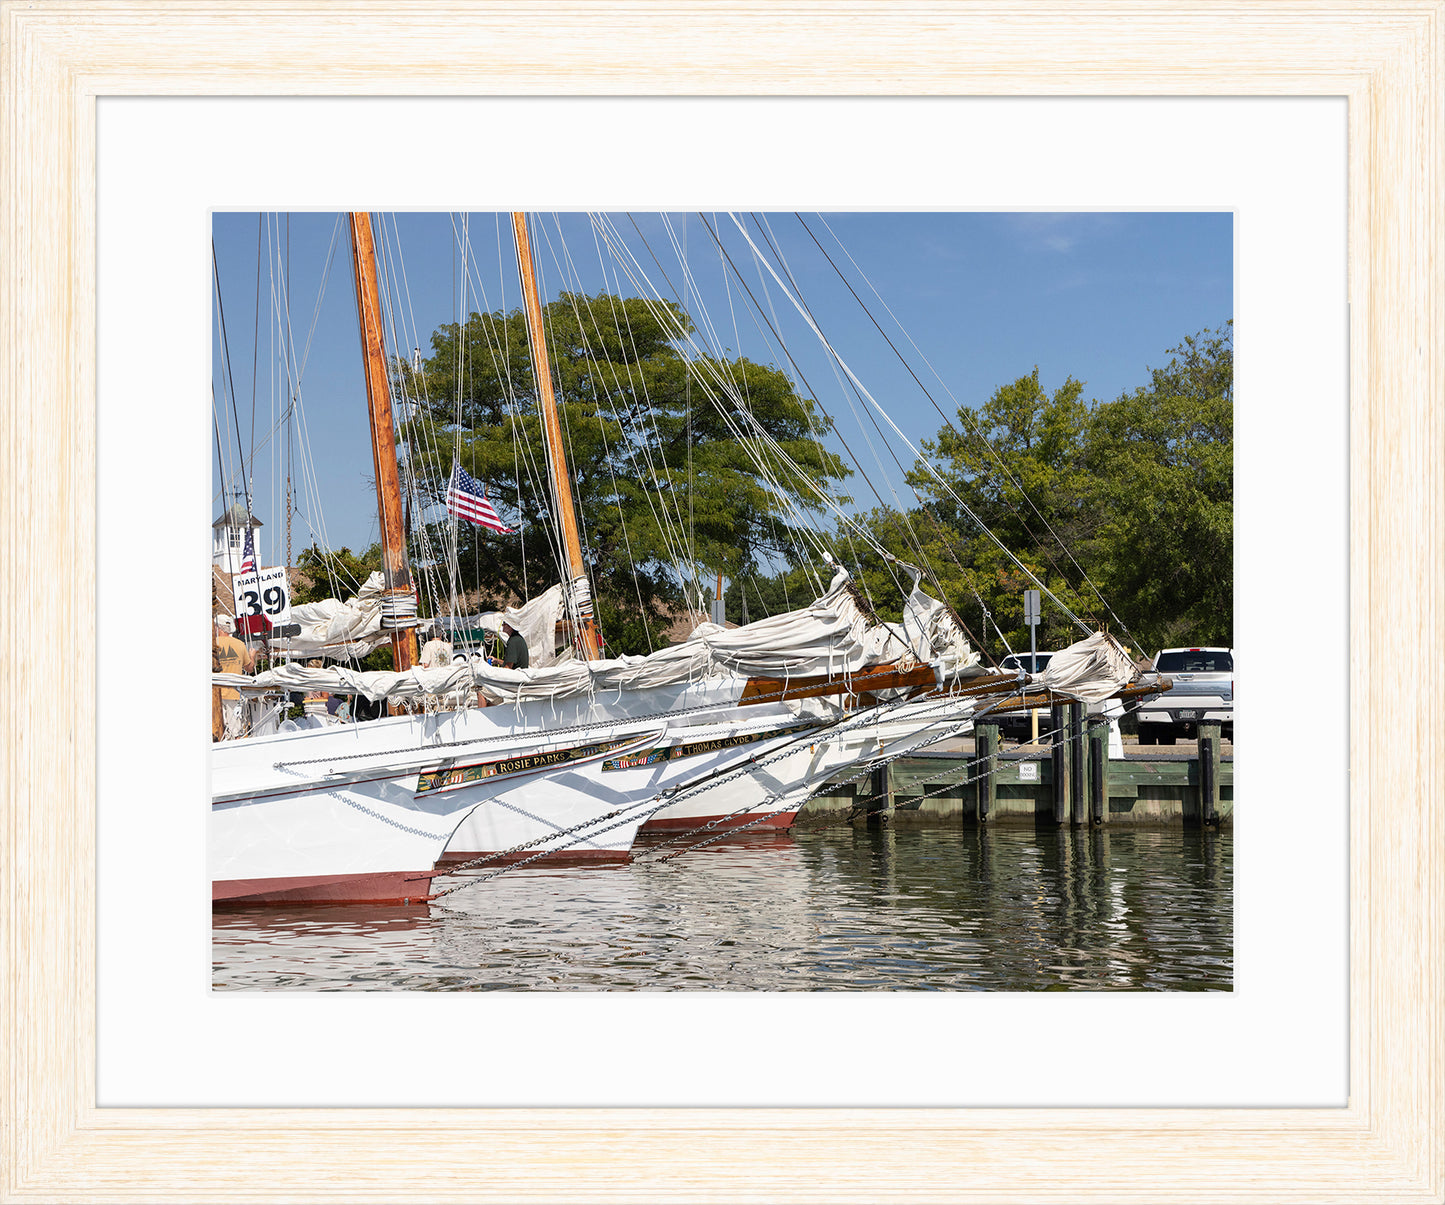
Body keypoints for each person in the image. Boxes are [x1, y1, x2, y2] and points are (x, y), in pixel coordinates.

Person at [212, 614, 255, 740]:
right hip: (234, 694)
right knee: (236, 732)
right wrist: (252, 655)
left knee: (216, 732)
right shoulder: (239, 644)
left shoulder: (211, 644)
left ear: (217, 628)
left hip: (215, 694)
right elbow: (249, 668)